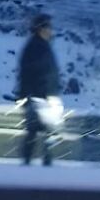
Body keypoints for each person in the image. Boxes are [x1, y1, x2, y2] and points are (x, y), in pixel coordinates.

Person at [15, 13, 62, 166]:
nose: (51, 30)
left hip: (42, 97)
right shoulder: (37, 48)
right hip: (39, 98)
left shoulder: (40, 46)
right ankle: (40, 165)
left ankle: (32, 164)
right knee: (41, 133)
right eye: (48, 27)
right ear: (40, 29)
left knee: (38, 133)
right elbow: (30, 73)